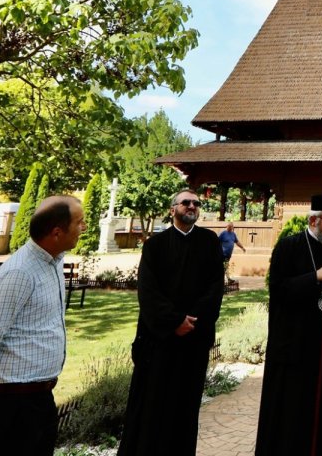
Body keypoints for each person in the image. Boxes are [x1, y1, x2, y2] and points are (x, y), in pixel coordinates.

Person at [0, 195, 86, 456]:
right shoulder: (19, 273)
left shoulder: (53, 261)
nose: (84, 228)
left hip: (38, 401)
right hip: (6, 407)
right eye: (80, 222)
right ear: (57, 232)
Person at [118, 189, 225, 455]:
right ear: (172, 209)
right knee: (153, 405)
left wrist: (192, 322)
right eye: (185, 202)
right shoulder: (155, 245)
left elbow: (215, 287)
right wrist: (174, 321)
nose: (191, 206)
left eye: (196, 203)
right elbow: (148, 291)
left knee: (185, 408)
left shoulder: (209, 241)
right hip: (160, 340)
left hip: (194, 341)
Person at [255, 194, 322, 456]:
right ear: (313, 219)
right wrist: (315, 277)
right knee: (291, 410)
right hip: (293, 345)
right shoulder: (288, 246)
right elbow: (278, 289)